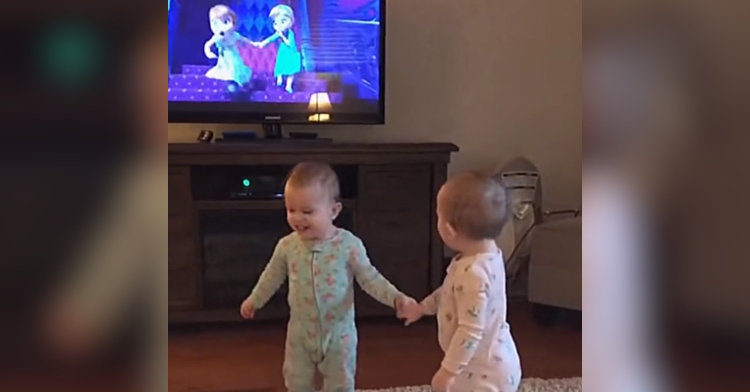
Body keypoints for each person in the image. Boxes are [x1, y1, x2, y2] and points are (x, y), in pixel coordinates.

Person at [240, 162, 416, 392]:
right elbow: (271, 276)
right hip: (300, 333)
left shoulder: (348, 245)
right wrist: (255, 300)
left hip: (338, 333)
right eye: (291, 210)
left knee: (340, 382)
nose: (297, 218)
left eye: (308, 211)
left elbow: (370, 278)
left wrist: (396, 298)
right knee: (296, 380)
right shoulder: (287, 246)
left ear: (334, 211)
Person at [399, 172, 522, 392]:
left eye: (438, 215)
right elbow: (450, 291)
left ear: (448, 230)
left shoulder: (472, 274)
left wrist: (448, 372)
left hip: (482, 372)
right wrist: (422, 308)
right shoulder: (488, 254)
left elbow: (470, 330)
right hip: (492, 360)